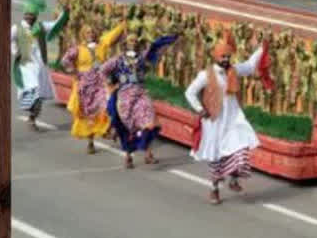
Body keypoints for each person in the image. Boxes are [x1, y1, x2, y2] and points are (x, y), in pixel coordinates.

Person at [185, 35, 268, 205]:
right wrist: (200, 109)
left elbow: (251, 65)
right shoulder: (206, 75)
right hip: (214, 121)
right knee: (217, 157)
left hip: (233, 119)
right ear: (216, 56)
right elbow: (190, 92)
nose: (226, 59)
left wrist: (262, 48)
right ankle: (214, 189)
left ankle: (234, 179)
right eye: (223, 56)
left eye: (228, 56)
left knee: (241, 150)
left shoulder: (234, 70)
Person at [104, 32, 178, 169]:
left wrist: (170, 40)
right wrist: (111, 84)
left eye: (135, 41)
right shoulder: (117, 60)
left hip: (140, 94)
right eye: (131, 41)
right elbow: (104, 70)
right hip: (125, 96)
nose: (134, 43)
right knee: (128, 127)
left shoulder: (141, 58)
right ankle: (128, 155)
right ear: (125, 43)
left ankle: (148, 152)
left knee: (149, 123)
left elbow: (155, 51)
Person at [61, 19, 127, 154]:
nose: (91, 34)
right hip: (85, 85)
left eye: (92, 32)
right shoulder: (78, 49)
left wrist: (122, 25)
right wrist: (74, 72)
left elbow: (113, 35)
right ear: (83, 34)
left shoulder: (102, 44)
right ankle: (90, 141)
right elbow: (65, 60)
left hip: (100, 83)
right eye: (88, 32)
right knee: (88, 112)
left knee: (106, 107)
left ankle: (107, 130)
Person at [11, 0, 69, 130]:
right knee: (34, 89)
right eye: (27, 14)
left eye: (32, 15)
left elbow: (56, 25)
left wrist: (65, 12)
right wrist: (15, 51)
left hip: (40, 66)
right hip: (25, 66)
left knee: (39, 95)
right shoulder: (17, 28)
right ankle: (31, 112)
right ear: (24, 15)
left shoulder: (41, 27)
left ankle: (32, 117)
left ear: (36, 16)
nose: (29, 17)